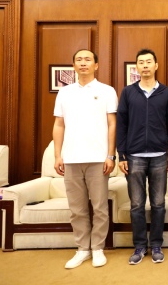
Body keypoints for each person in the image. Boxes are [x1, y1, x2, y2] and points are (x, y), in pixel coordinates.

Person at [53, 49, 118, 269]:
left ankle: (97, 248)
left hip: (98, 159)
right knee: (77, 209)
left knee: (100, 207)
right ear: (73, 66)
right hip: (71, 158)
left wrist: (110, 155)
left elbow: (112, 124)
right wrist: (57, 155)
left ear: (96, 65)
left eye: (87, 60)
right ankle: (82, 249)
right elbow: (59, 124)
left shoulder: (107, 91)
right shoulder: (65, 92)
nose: (83, 63)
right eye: (79, 60)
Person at [116, 49, 168, 265]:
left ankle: (157, 245)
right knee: (136, 205)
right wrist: (121, 155)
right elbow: (121, 125)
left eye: (149, 62)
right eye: (141, 62)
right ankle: (140, 246)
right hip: (134, 156)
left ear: (156, 65)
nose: (145, 65)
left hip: (160, 155)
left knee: (159, 203)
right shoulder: (128, 92)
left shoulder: (166, 93)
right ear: (137, 67)